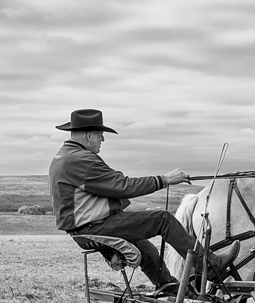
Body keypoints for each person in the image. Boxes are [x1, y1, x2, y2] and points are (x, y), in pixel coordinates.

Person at [49, 109, 198, 290]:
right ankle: (213, 267)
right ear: (89, 135)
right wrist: (164, 180)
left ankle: (171, 289)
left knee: (147, 250)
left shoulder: (64, 156)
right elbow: (123, 186)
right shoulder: (81, 160)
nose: (103, 139)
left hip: (84, 227)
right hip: (93, 226)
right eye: (100, 135)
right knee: (163, 219)